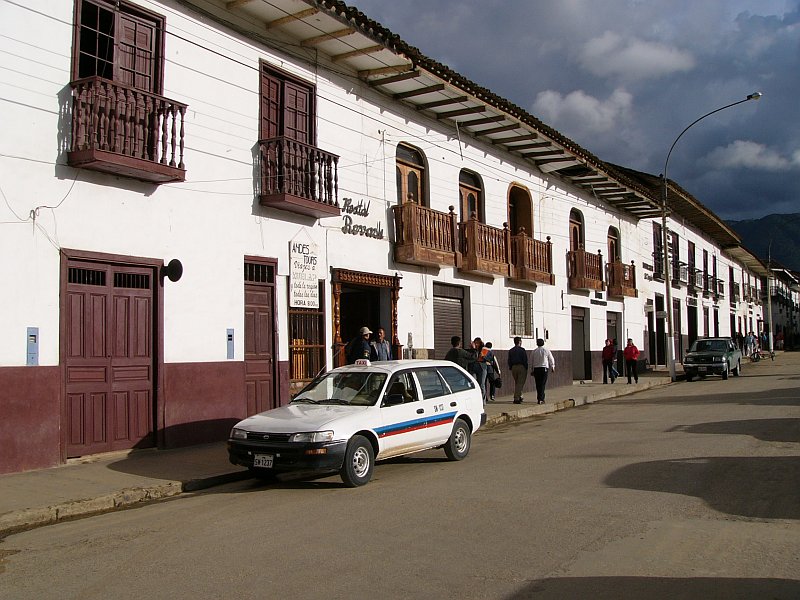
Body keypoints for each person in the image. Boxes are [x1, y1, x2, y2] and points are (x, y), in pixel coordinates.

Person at [530, 338, 555, 404]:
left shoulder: (534, 351)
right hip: (544, 369)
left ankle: (539, 398)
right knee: (542, 384)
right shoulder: (546, 350)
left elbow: (531, 361)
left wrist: (532, 369)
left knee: (538, 384)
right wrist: (553, 366)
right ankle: (541, 398)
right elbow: (551, 359)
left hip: (536, 369)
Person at [508, 336, 528, 404]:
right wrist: (526, 367)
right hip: (521, 366)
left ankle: (520, 396)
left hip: (514, 367)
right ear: (520, 342)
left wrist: (511, 367)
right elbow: (525, 359)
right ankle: (516, 398)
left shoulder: (511, 350)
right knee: (520, 383)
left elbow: (509, 360)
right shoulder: (522, 350)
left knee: (517, 382)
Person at [468, 337, 489, 402]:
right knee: (473, 383)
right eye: (475, 343)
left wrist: (482, 356)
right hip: (473, 367)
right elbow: (470, 357)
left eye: (477, 343)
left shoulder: (484, 349)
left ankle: (483, 401)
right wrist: (473, 349)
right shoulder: (472, 350)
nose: (476, 344)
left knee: (481, 384)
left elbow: (486, 358)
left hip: (482, 367)